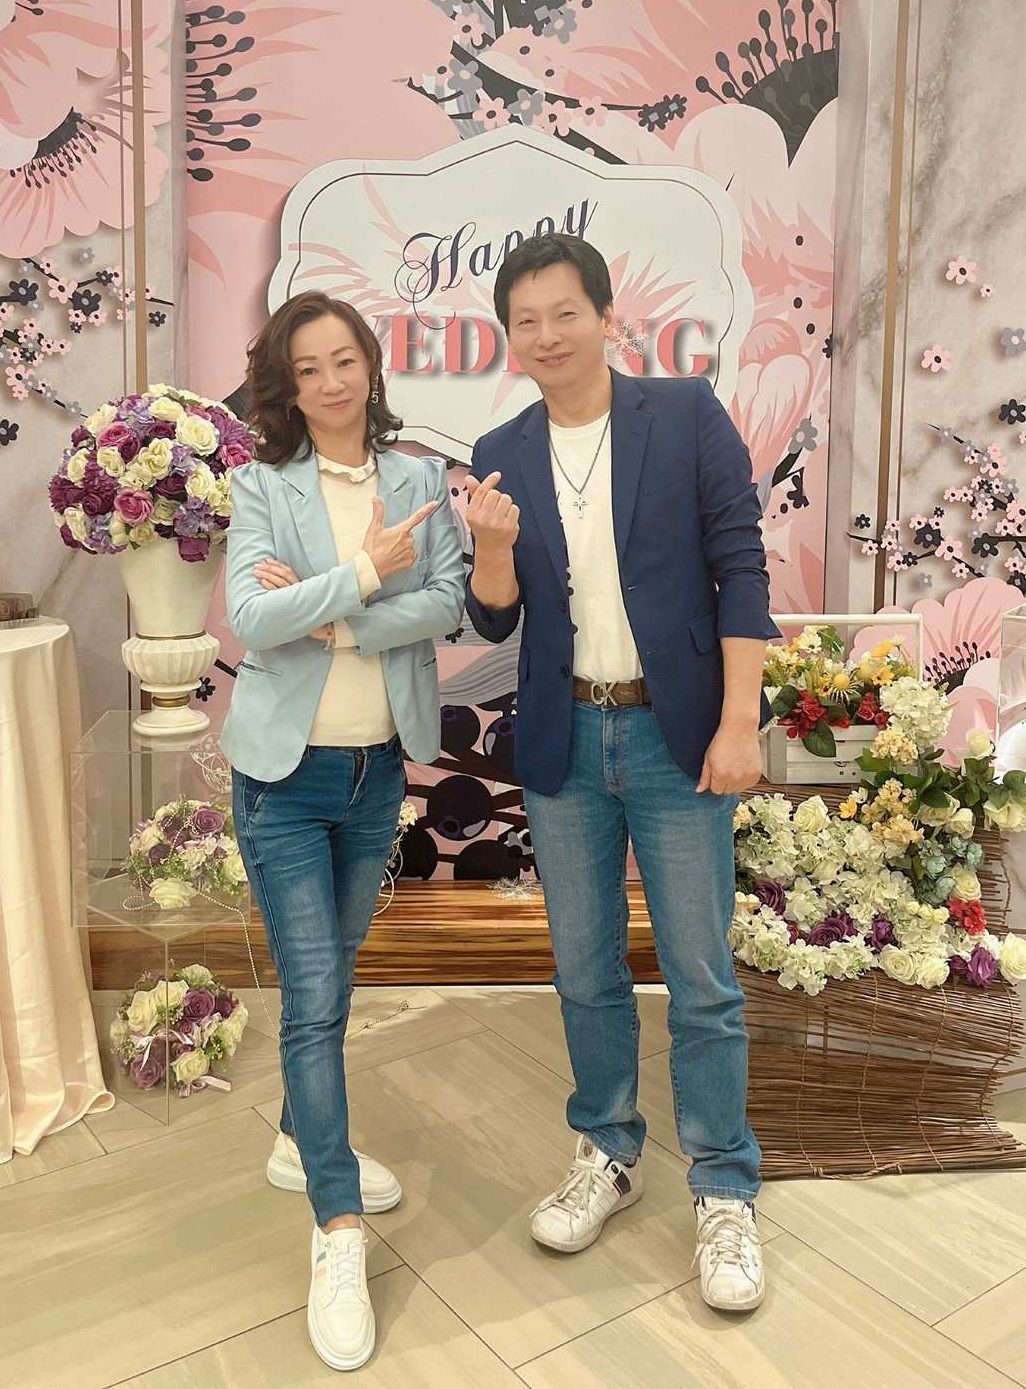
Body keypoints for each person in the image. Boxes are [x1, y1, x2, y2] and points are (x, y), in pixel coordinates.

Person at [463, 233, 779, 1312]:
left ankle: (724, 1185)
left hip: (675, 737)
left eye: (566, 313)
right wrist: (491, 549)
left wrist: (738, 725)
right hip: (565, 740)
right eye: (526, 322)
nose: (547, 335)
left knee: (701, 975)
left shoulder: (683, 415)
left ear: (608, 317)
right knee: (585, 969)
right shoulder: (501, 446)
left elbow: (741, 569)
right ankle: (607, 1148)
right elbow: (493, 617)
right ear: (509, 339)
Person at [221, 290, 465, 1371]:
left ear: (371, 365)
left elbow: (448, 601)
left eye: (344, 360)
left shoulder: (417, 479)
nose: (330, 382)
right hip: (283, 781)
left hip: (376, 774)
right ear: (288, 384)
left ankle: (296, 1138)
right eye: (307, 368)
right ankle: (336, 1225)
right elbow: (252, 618)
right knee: (315, 1001)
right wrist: (365, 574)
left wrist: (331, 614)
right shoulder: (261, 484)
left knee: (336, 978)